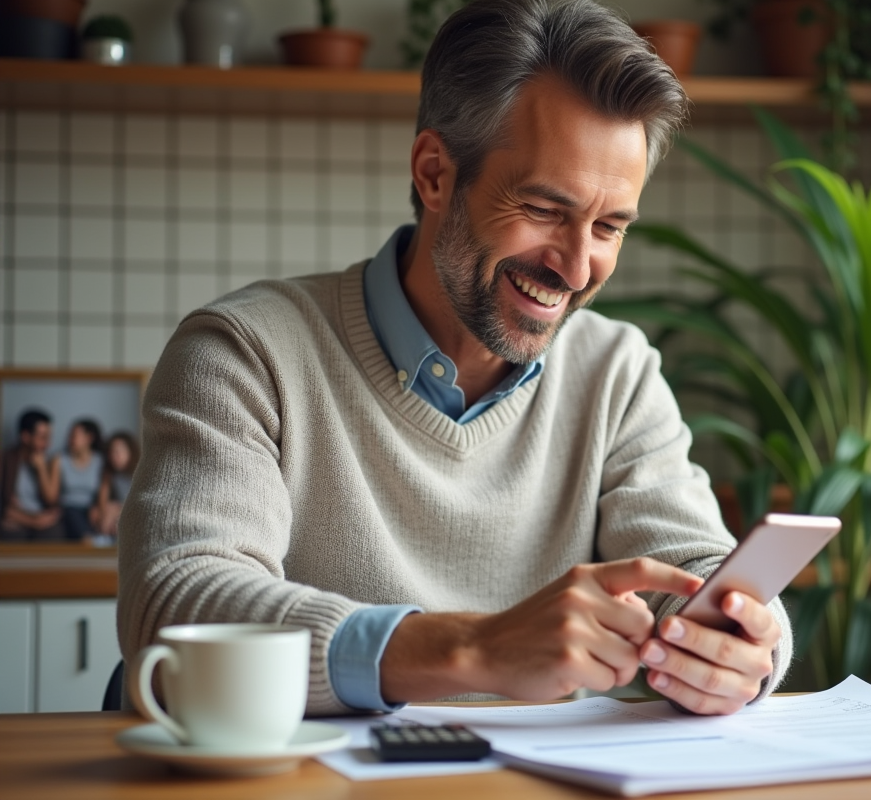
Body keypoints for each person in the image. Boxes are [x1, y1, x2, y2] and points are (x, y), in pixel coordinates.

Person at [119, 0, 792, 718]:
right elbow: (178, 603)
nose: (575, 264)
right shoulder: (246, 352)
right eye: (543, 209)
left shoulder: (617, 373)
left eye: (608, 226)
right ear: (436, 173)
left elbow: (689, 568)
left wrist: (743, 644)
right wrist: (473, 650)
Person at [0, 409, 63, 540]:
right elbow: (6, 505)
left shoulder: (51, 461)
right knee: (10, 533)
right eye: (43, 438)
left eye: (49, 437)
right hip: (17, 517)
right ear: (25, 437)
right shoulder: (7, 459)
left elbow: (52, 501)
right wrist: (32, 521)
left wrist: (41, 470)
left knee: (54, 533)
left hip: (43, 517)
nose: (48, 444)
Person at [59, 418, 104, 540]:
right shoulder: (61, 460)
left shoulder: (99, 461)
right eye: (70, 435)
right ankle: (89, 541)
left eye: (74, 435)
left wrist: (97, 507)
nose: (70, 440)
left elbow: (102, 491)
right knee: (72, 515)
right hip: (69, 507)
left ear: (89, 438)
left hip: (89, 507)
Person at [92, 431, 138, 539]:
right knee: (98, 511)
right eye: (111, 452)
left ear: (130, 451)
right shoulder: (110, 475)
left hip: (132, 511)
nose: (114, 456)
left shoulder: (140, 474)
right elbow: (102, 501)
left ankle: (104, 540)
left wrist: (116, 508)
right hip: (116, 513)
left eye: (118, 452)